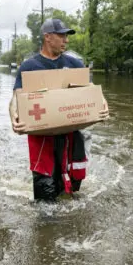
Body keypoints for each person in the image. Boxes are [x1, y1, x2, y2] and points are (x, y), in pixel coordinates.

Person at [9, 18, 109, 201]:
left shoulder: (74, 64)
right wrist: (14, 117)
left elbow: (92, 89)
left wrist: (103, 104)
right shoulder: (29, 67)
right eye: (61, 35)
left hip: (70, 134)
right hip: (42, 138)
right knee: (45, 194)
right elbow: (16, 97)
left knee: (72, 190)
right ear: (47, 37)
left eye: (66, 36)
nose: (66, 40)